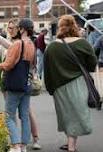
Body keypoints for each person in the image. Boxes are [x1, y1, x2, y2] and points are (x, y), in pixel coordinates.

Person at [44, 15, 97, 152]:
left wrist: (50, 88)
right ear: (74, 26)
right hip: (78, 83)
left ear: (60, 27)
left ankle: (70, 144)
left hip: (58, 86)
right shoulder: (83, 43)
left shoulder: (52, 47)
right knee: (76, 114)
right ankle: (72, 147)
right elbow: (92, 65)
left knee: (66, 115)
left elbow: (47, 70)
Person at [0, 19, 42, 150]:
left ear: (21, 29)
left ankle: (16, 145)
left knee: (9, 116)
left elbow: (8, 65)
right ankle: (23, 145)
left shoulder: (18, 44)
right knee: (24, 116)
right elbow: (33, 66)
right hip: (26, 85)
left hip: (14, 85)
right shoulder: (31, 44)